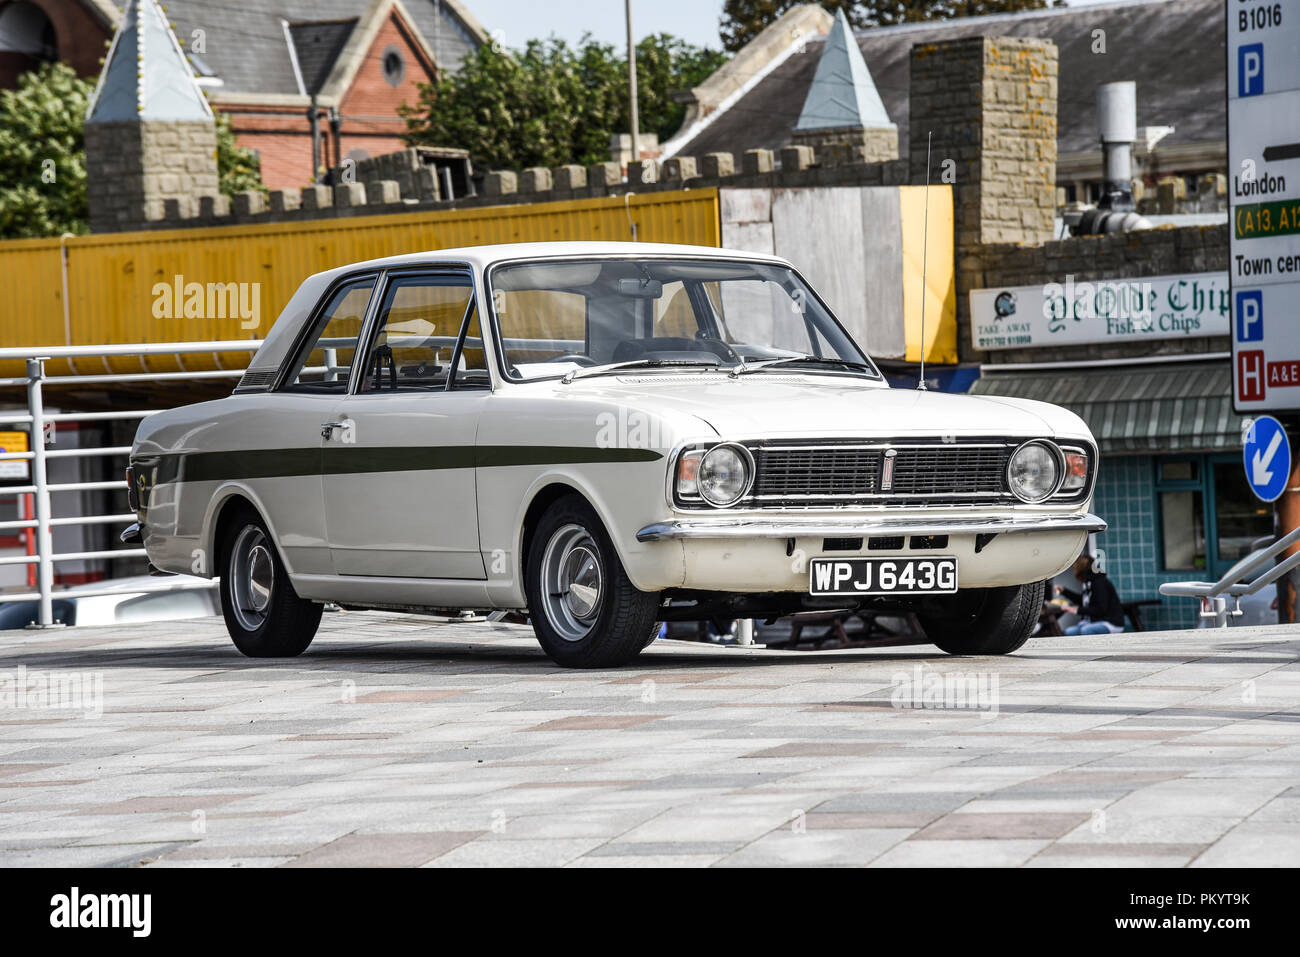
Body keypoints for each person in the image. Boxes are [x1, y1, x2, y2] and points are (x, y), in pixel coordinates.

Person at [1054, 552, 1126, 635]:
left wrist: (1077, 610)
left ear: (1082, 570)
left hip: (1110, 622)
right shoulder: (1089, 583)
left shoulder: (1099, 583)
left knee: (1086, 630)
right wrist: (1064, 591)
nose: (1074, 572)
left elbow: (1100, 609)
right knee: (1068, 632)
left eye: (1075, 568)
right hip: (1093, 622)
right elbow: (1084, 601)